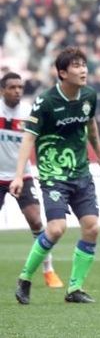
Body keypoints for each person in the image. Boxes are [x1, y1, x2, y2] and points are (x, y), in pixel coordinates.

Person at [11, 47, 100, 305]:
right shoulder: (46, 102)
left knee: (92, 227)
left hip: (81, 171)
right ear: (63, 73)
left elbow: (91, 126)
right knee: (56, 229)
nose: (83, 70)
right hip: (53, 173)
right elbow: (28, 138)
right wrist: (19, 175)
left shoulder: (89, 96)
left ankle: (75, 288)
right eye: (76, 66)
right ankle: (25, 278)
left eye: (84, 65)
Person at [0, 72, 64, 289]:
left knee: (36, 221)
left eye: (20, 87)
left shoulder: (29, 112)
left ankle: (48, 270)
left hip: (23, 175)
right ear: (2, 90)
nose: (17, 91)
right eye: (12, 87)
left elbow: (42, 138)